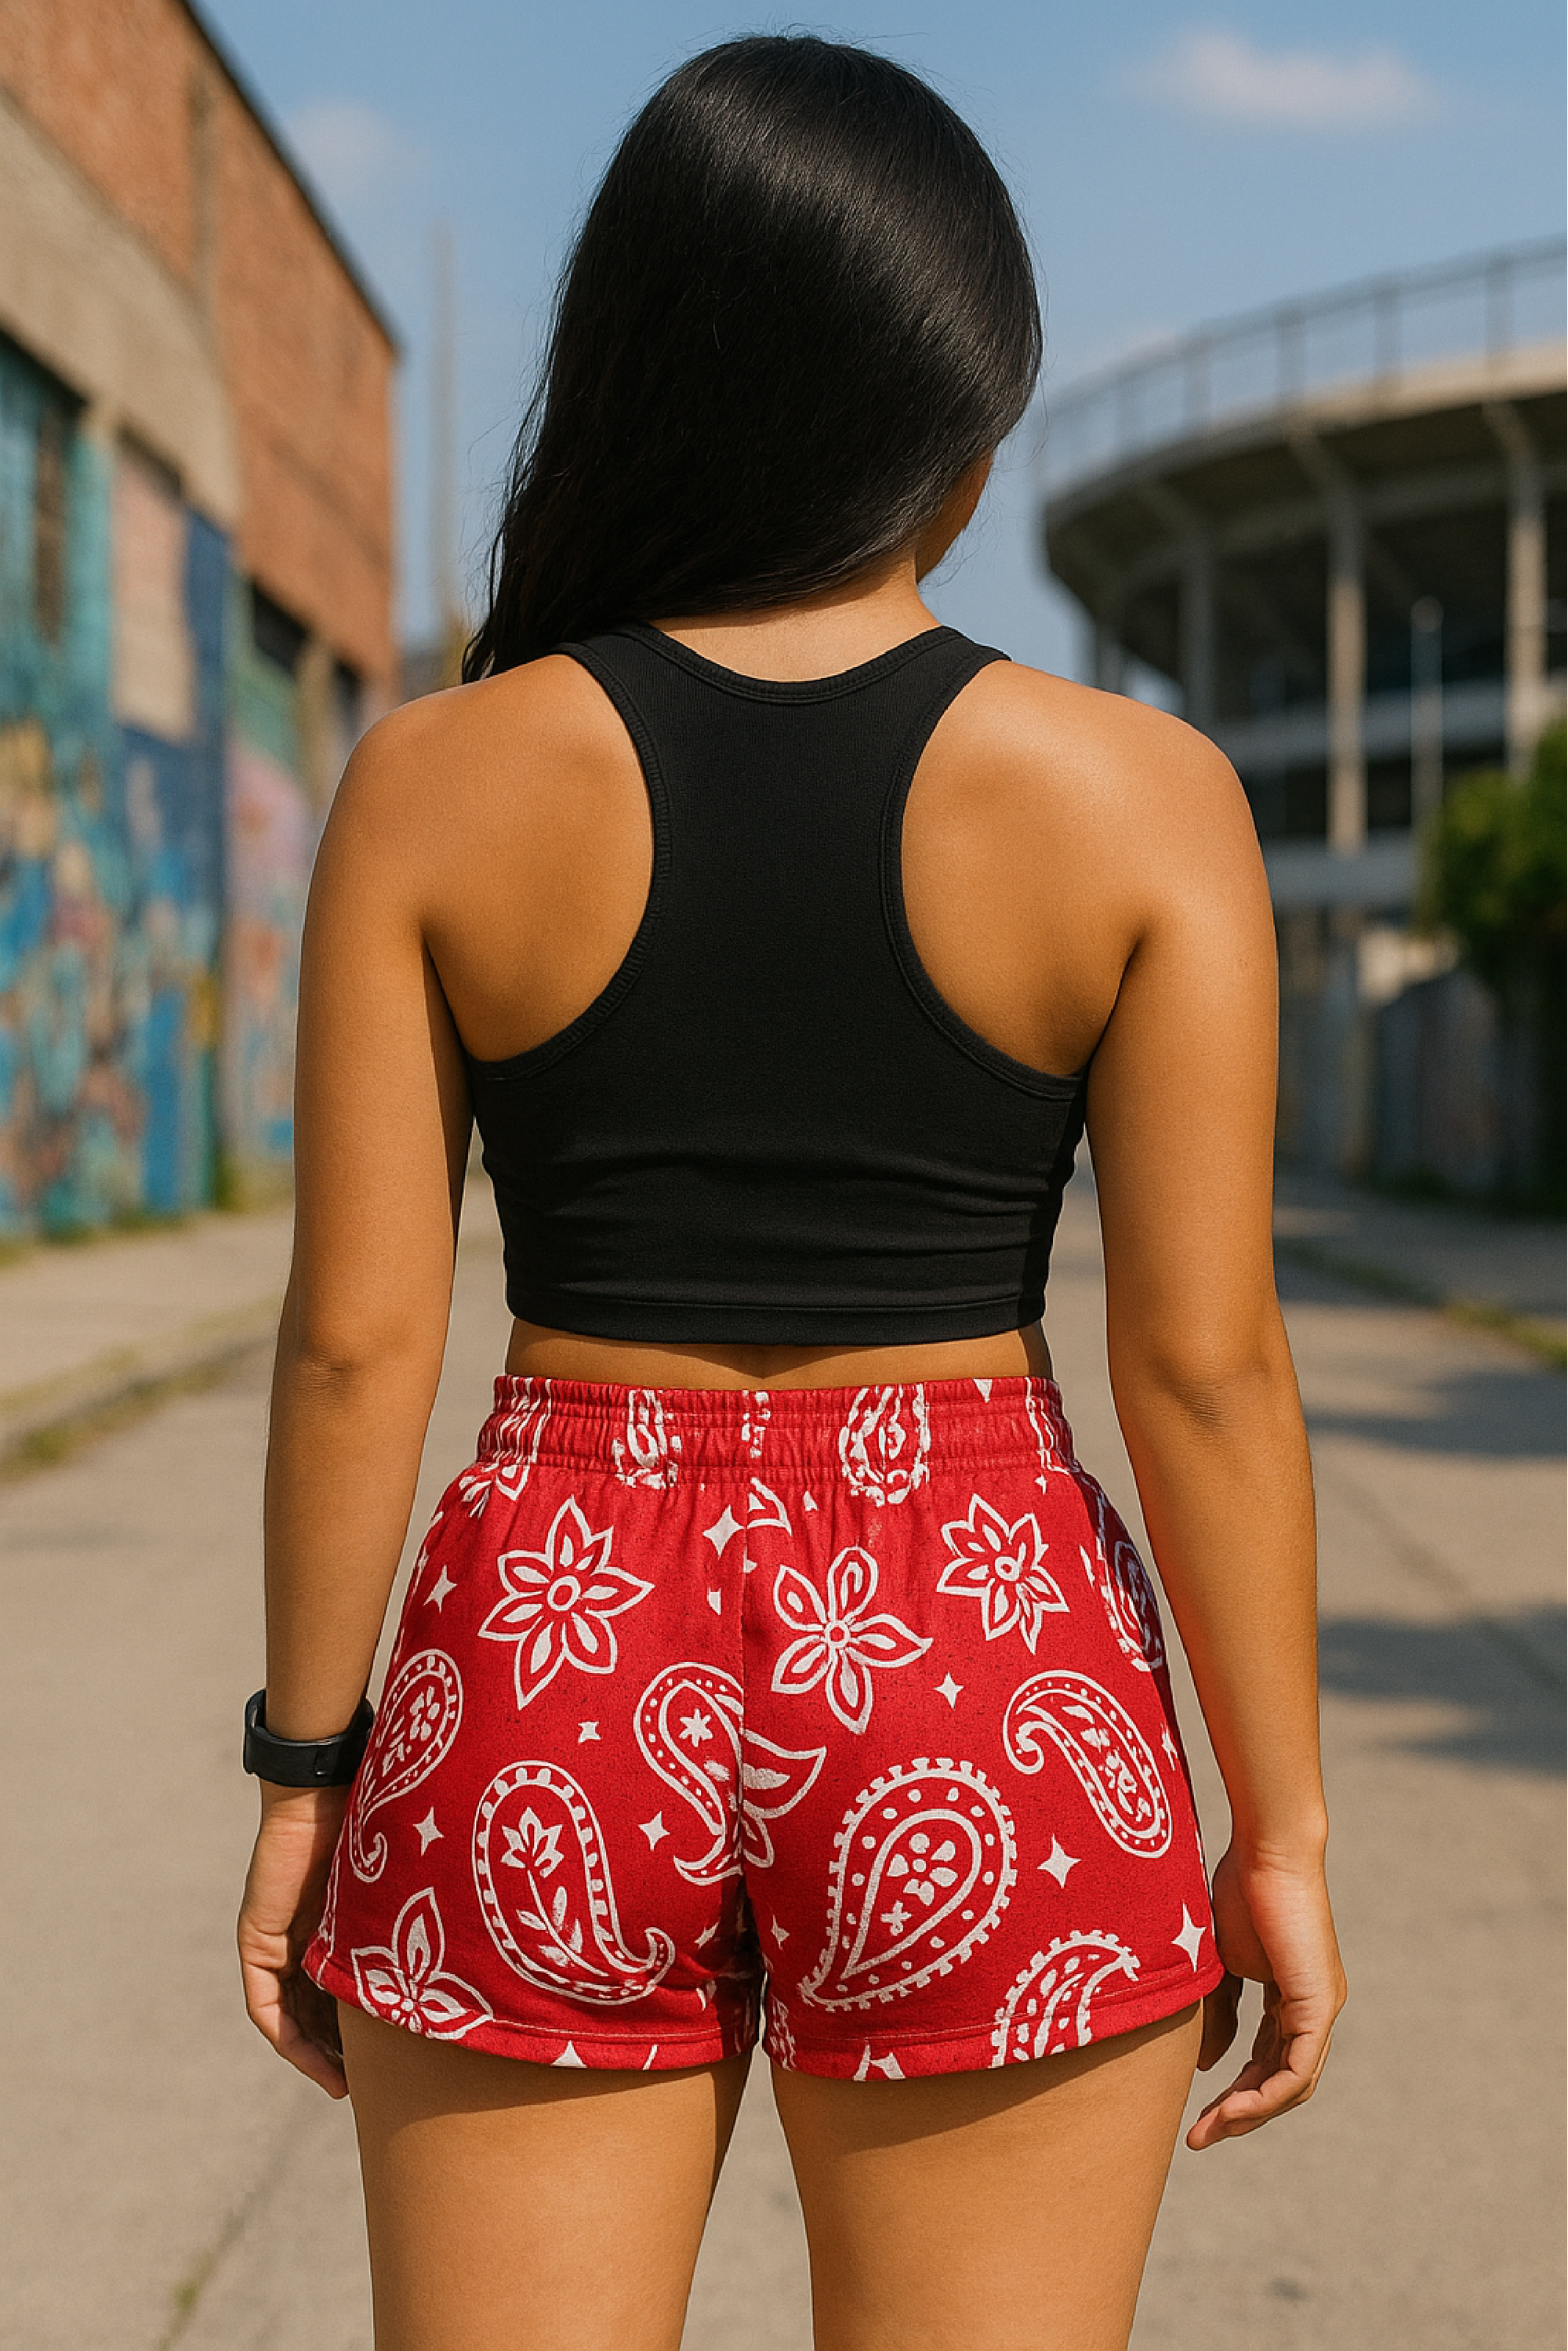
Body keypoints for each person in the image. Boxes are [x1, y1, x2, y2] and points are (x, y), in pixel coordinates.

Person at [238, 34, 1345, 2351]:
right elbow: (1206, 1363)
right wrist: (1282, 1827)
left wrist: (306, 1764)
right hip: (982, 1643)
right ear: (952, 409)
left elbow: (359, 1333)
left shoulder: (435, 779)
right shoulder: (1137, 799)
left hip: (548, 1625)